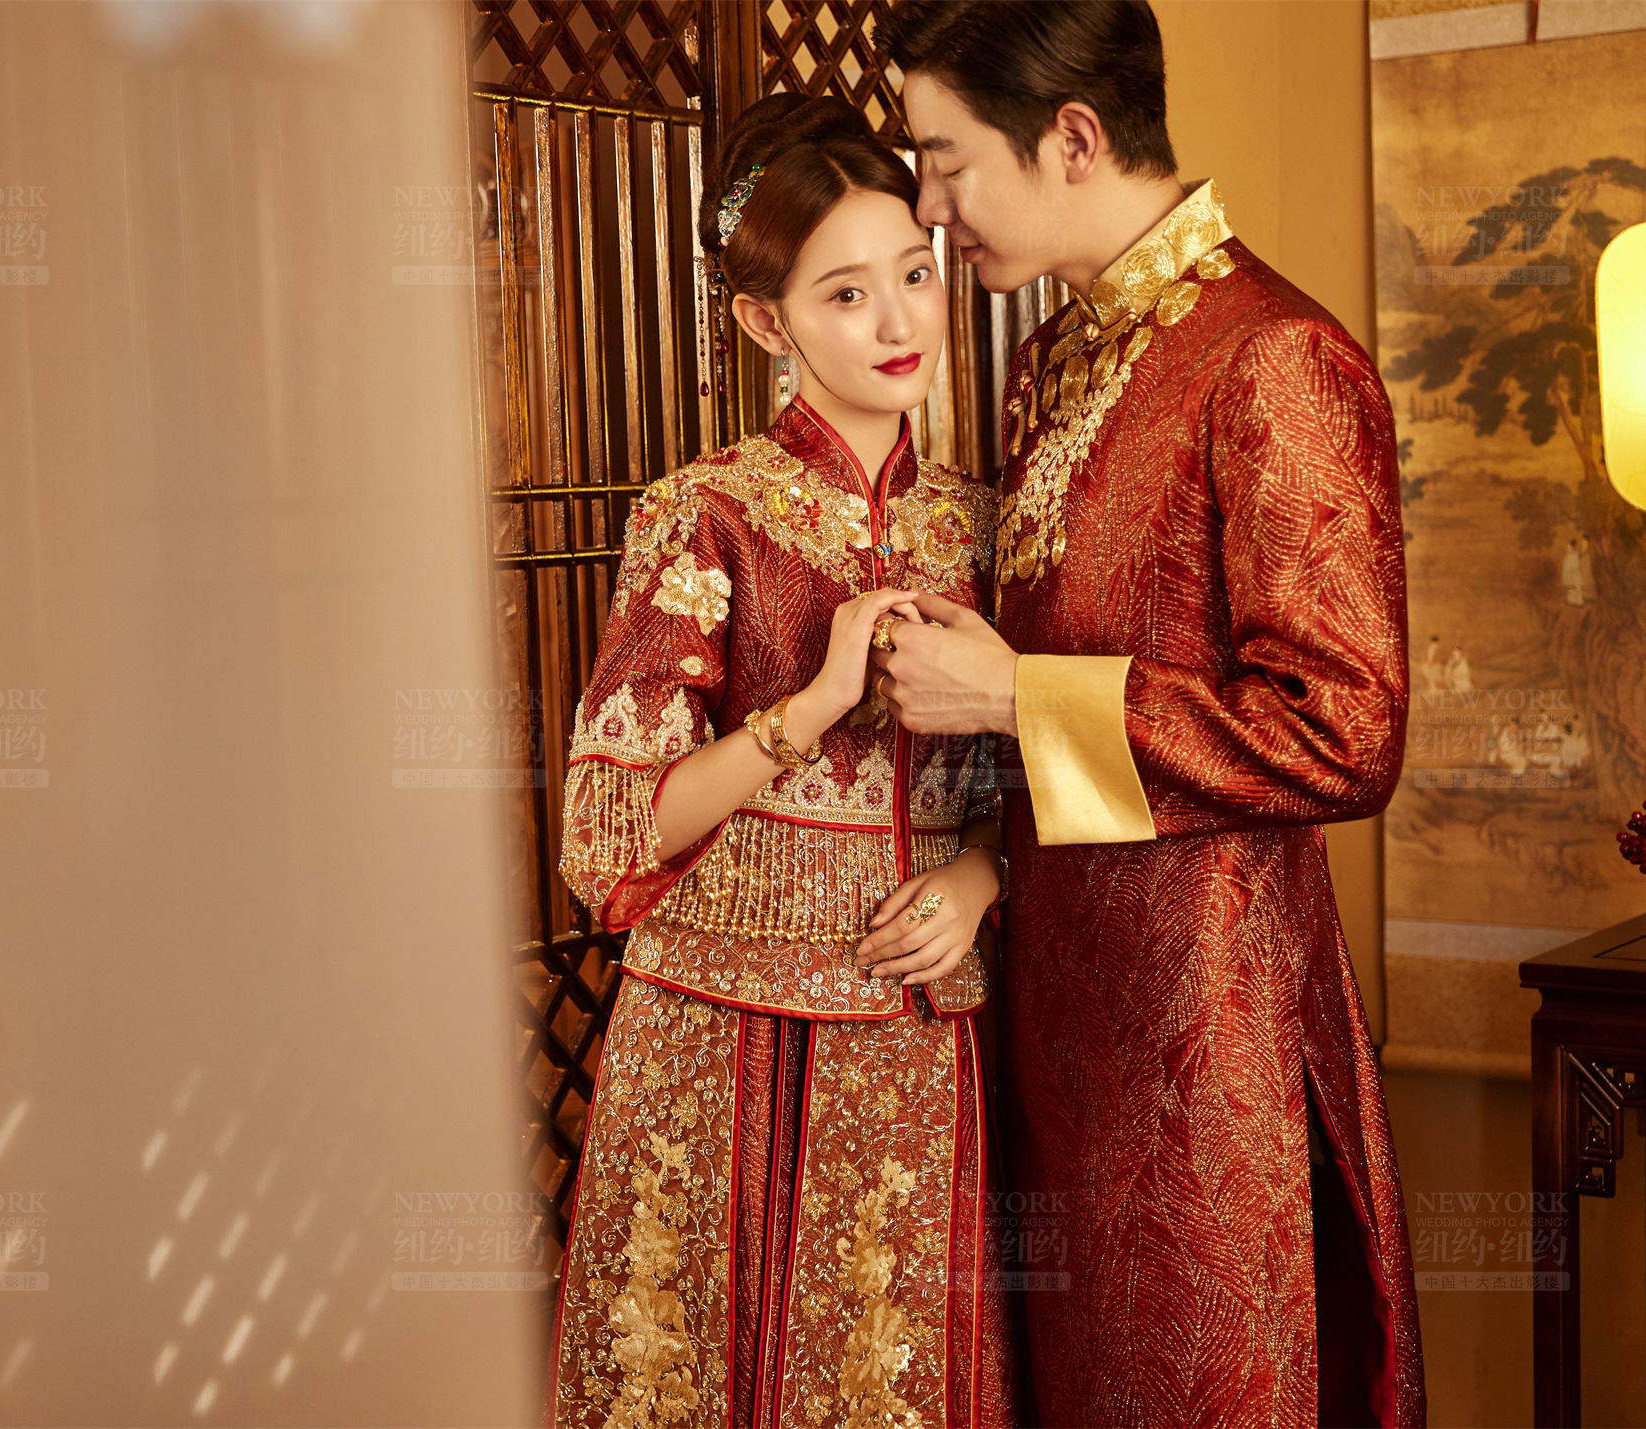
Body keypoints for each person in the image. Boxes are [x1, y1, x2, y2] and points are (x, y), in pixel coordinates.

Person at [865, 4, 1427, 1426]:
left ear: (1072, 137)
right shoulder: (1049, 368)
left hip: (1210, 1045)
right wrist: (984, 856)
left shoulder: (1274, 359)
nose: (929, 207)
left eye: (945, 159)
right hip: (1055, 1031)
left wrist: (1013, 693)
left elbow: (1345, 728)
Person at [546, 92, 1020, 1429]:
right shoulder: (702, 515)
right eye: (846, 295)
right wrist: (813, 703)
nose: (898, 322)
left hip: (920, 1033)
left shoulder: (984, 528)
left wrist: (981, 877)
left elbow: (1036, 777)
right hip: (717, 1035)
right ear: (768, 324)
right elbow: (609, 830)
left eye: (914, 275)